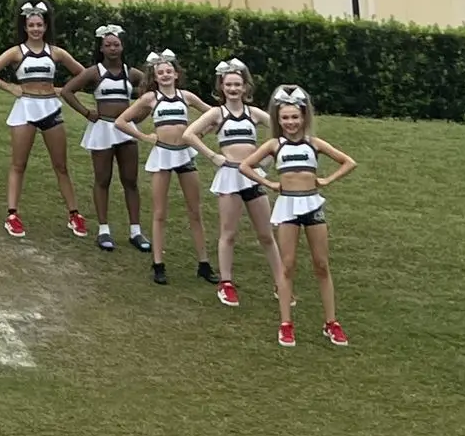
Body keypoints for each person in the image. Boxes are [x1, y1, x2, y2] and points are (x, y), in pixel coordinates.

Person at [234, 84, 357, 348]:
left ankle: (331, 322)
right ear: (278, 119)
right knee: (287, 265)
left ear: (304, 117)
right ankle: (286, 323)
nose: (290, 122)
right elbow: (245, 166)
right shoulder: (273, 145)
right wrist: (270, 185)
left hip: (312, 205)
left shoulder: (314, 143)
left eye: (295, 117)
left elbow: (348, 162)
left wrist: (326, 180)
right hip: (287, 207)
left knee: (321, 265)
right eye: (285, 117)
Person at [0, 0, 89, 241]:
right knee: (19, 164)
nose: (36, 29)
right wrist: (10, 87)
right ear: (25, 27)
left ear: (46, 26)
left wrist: (62, 90)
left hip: (50, 107)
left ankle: (74, 213)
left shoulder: (56, 52)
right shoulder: (17, 51)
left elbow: (84, 73)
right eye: (31, 25)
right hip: (25, 108)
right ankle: (12, 214)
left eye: (39, 24)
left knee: (61, 165)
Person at [185, 58, 283, 309]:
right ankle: (226, 283)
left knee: (266, 234)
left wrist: (269, 155)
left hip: (252, 175)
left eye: (237, 84)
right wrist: (213, 156)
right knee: (229, 232)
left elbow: (280, 127)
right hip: (229, 175)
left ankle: (281, 283)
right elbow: (189, 134)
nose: (233, 89)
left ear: (245, 87)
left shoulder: (253, 113)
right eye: (228, 85)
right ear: (222, 87)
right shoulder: (217, 113)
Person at [115, 49, 215, 286]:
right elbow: (121, 121)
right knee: (160, 213)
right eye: (161, 72)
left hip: (185, 155)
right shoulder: (150, 99)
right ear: (155, 77)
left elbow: (214, 114)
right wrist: (144, 137)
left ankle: (204, 263)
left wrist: (199, 134)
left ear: (176, 74)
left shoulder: (187, 96)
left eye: (169, 71)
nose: (166, 75)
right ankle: (158, 263)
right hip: (162, 155)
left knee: (195, 211)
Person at [59, 24, 151, 254]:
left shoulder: (131, 73)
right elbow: (67, 91)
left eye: (116, 44)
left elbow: (151, 92)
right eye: (107, 45)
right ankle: (103, 230)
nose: (112, 49)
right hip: (102, 130)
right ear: (101, 48)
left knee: (130, 180)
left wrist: (139, 116)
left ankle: (135, 231)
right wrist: (87, 112)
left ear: (122, 46)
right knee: (103, 179)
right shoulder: (94, 72)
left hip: (125, 130)